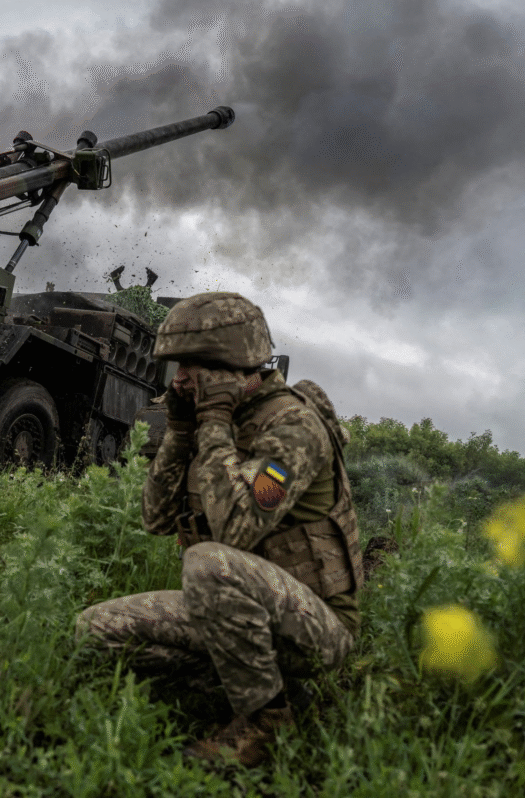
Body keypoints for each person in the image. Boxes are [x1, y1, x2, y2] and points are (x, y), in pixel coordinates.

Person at [75, 292, 363, 767]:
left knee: (208, 561)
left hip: (316, 630)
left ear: (234, 368)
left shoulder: (293, 428)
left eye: (192, 367)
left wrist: (211, 423)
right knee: (94, 632)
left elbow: (233, 533)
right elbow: (157, 519)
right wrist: (183, 431)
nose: (180, 379)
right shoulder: (215, 421)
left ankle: (267, 721)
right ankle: (266, 688)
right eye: (178, 367)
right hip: (241, 614)